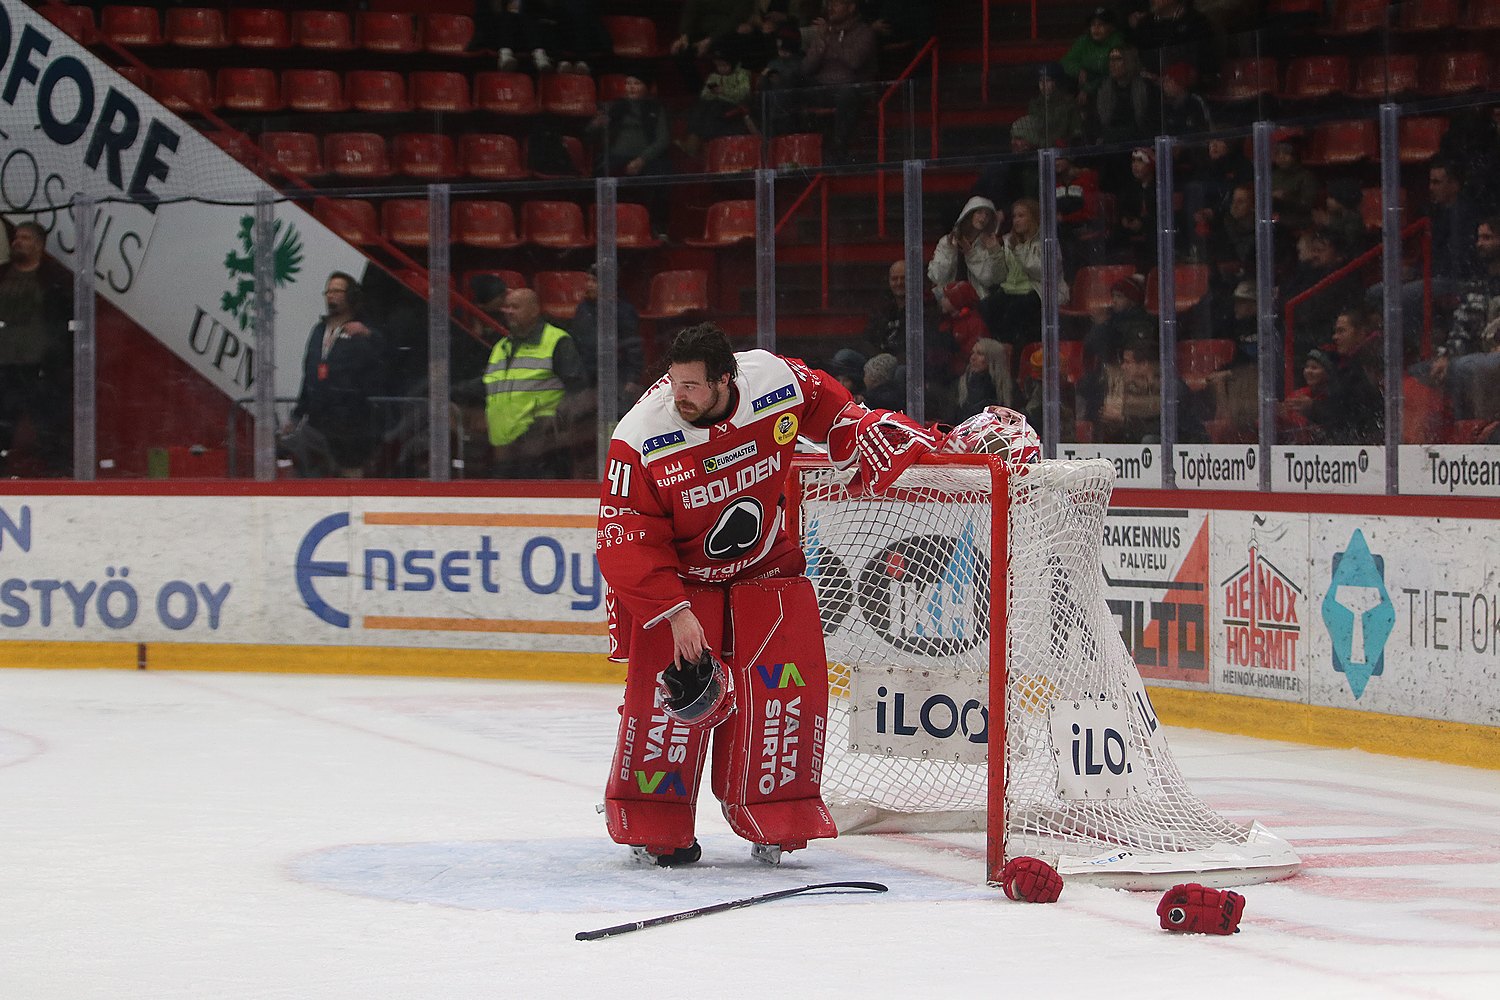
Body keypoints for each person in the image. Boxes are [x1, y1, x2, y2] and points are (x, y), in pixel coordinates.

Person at [596, 323, 911, 866]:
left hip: (766, 566)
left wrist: (855, 426)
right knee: (668, 705)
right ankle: (656, 823)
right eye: (674, 383)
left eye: (692, 385)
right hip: (684, 584)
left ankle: (777, 815)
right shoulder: (640, 436)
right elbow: (625, 538)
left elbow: (824, 404)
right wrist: (674, 613)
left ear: (725, 380)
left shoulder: (772, 379)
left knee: (782, 697)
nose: (680, 396)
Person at [283, 272, 386, 478]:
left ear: (351, 295)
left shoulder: (362, 330)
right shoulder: (319, 331)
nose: (331, 295)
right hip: (318, 424)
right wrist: (296, 415)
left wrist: (368, 335)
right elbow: (309, 376)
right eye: (329, 291)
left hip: (350, 428)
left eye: (337, 291)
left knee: (351, 480)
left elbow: (385, 356)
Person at [484, 287, 588, 478]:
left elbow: (577, 389)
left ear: (534, 310)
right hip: (504, 449)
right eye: (506, 307)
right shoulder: (501, 347)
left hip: (544, 450)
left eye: (515, 307)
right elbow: (487, 386)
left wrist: (554, 424)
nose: (507, 311)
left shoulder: (557, 341)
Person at [0, 221, 73, 477]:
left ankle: (60, 481)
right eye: (16, 237)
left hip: (39, 369)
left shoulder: (54, 281)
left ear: (40, 245)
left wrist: (58, 366)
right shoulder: (2, 275)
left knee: (49, 428)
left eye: (26, 238)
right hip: (4, 368)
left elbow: (65, 329)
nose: (17, 241)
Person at [1429, 217, 1500, 422]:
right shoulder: (1479, 285)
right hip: (1481, 354)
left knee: (1465, 366)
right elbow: (1462, 326)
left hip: (1490, 356)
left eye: (1488, 238)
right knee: (1421, 372)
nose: (1480, 243)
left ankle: (1474, 432)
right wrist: (1446, 356)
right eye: (1479, 238)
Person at [800, 0, 877, 160]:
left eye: (836, 3)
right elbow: (806, 68)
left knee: (847, 93)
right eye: (829, 3)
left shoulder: (865, 32)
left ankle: (839, 149)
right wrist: (820, 43)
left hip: (850, 89)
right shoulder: (824, 33)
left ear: (851, 7)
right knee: (789, 81)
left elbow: (854, 60)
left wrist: (829, 39)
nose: (830, 7)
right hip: (822, 89)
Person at [927, 196, 1004, 338]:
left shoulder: (989, 244)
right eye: (979, 212)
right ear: (969, 214)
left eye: (987, 215)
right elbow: (937, 276)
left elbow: (990, 279)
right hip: (947, 303)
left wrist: (973, 254)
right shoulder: (947, 242)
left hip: (977, 304)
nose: (983, 218)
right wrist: (950, 251)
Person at [1061, 8, 1126, 103]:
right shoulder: (1083, 41)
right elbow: (1066, 62)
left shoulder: (1117, 42)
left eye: (1101, 24)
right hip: (1084, 83)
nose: (1096, 28)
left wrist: (1088, 88)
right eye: (1093, 24)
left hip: (1106, 87)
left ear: (1111, 27)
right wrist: (1078, 70)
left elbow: (1111, 74)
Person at [953, 337, 1013, 421]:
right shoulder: (962, 385)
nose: (973, 358)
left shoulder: (1007, 390)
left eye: (980, 354)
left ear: (993, 359)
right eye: (972, 353)